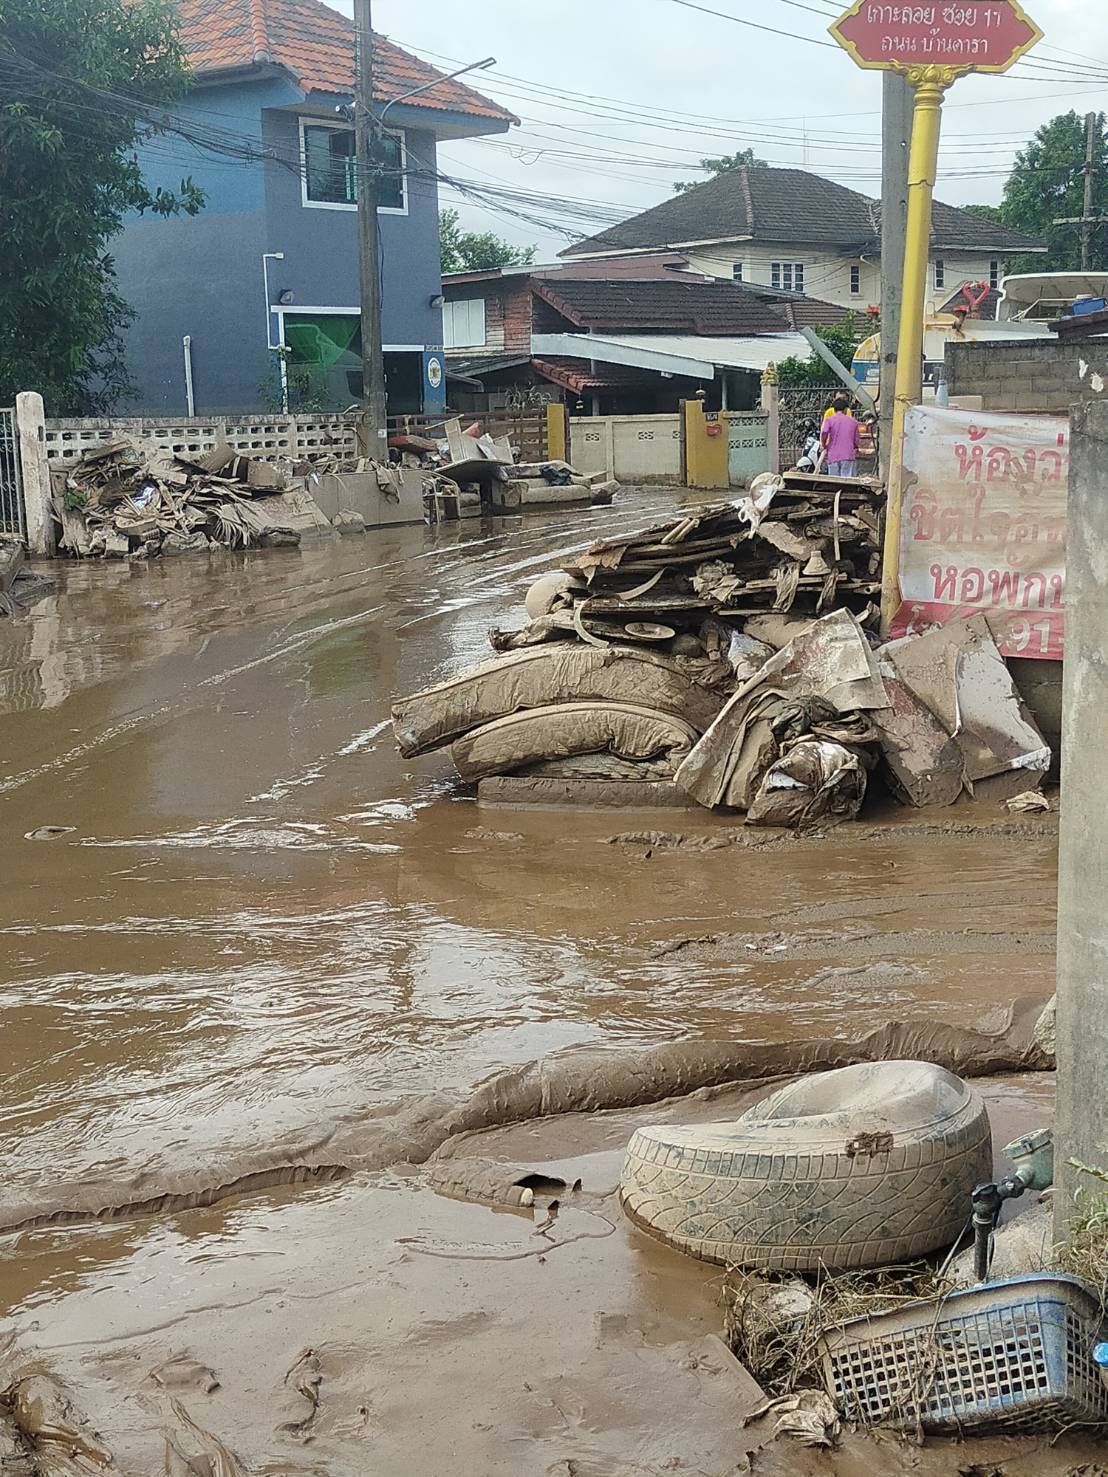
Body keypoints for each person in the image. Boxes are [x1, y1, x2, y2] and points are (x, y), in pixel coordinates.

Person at [820, 393, 861, 478]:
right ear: (846, 410)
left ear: (834, 410)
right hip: (848, 455)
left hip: (833, 455)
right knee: (846, 481)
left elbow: (824, 432)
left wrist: (824, 445)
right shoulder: (853, 422)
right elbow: (856, 439)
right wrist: (855, 447)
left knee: (834, 481)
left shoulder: (829, 420)